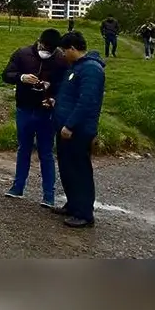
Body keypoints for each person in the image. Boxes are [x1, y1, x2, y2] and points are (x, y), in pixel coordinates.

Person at [0, 28, 67, 207]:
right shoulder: (22, 54)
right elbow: (6, 74)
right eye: (46, 47)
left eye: (52, 49)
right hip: (24, 108)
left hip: (46, 113)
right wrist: (21, 77)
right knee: (24, 149)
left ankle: (48, 195)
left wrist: (54, 98)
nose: (47, 51)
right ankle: (18, 187)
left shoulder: (61, 59)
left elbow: (65, 86)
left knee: (46, 153)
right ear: (39, 42)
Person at [50, 31, 106, 228]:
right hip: (65, 127)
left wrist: (70, 124)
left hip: (77, 130)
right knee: (67, 168)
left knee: (79, 170)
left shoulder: (91, 69)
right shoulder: (76, 67)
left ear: (73, 48)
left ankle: (84, 213)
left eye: (64, 51)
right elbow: (70, 96)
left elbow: (86, 102)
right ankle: (73, 204)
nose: (63, 55)